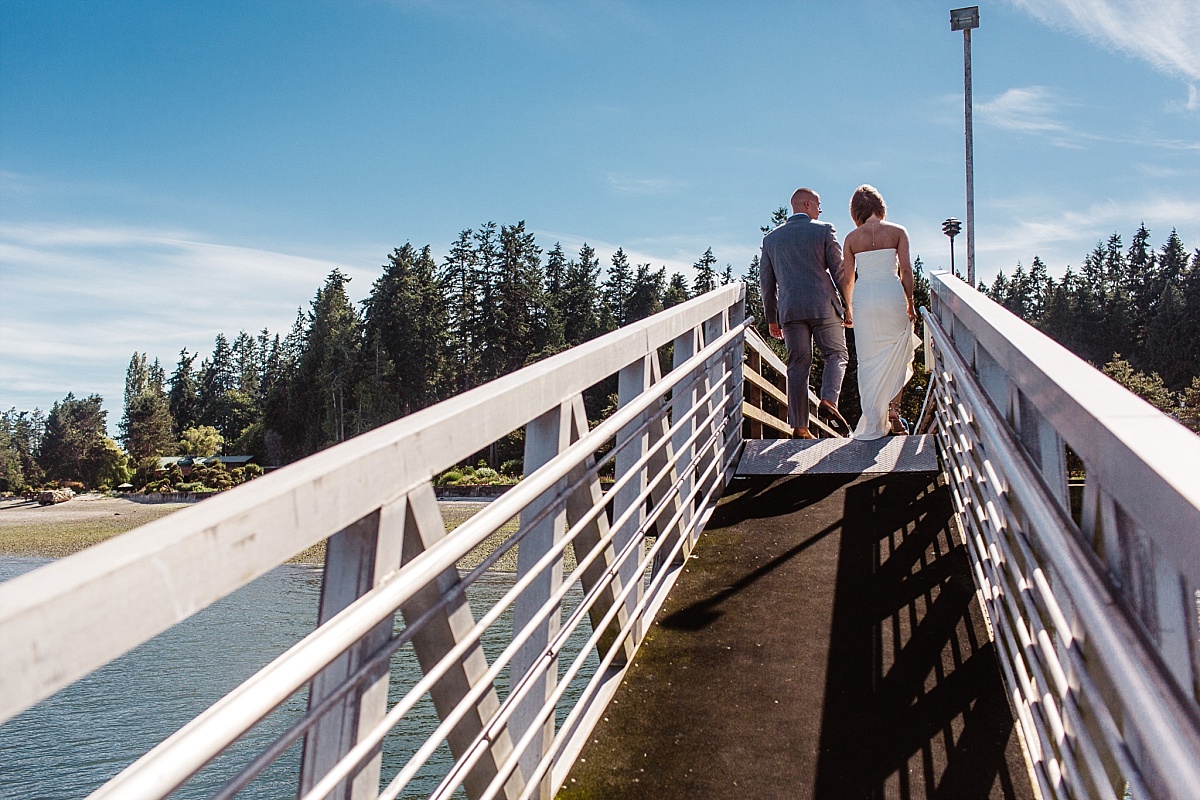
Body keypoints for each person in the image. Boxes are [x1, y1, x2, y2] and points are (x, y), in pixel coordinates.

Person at [759, 187, 852, 439]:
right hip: (824, 306)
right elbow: (839, 272)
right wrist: (848, 305)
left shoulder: (771, 239)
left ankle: (800, 427)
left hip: (790, 311)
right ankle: (829, 400)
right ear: (808, 204)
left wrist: (771, 318)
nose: (821, 210)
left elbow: (766, 284)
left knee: (798, 365)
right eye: (819, 205)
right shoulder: (823, 230)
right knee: (836, 353)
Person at [841, 184, 920, 439]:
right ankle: (894, 410)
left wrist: (849, 307)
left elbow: (848, 279)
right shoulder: (897, 232)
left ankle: (875, 418)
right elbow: (906, 271)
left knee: (869, 360)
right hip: (891, 294)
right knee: (899, 351)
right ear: (880, 207)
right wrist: (909, 301)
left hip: (864, 298)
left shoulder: (852, 239)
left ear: (855, 211)